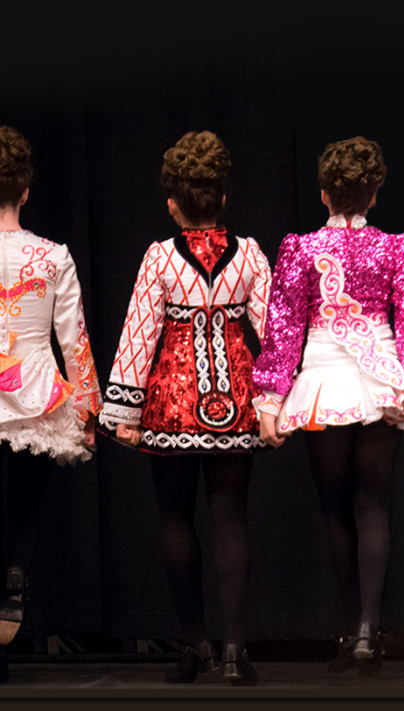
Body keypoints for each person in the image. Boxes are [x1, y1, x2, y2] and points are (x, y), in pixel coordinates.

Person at [252, 137, 404, 677]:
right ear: (374, 196)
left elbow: (284, 328)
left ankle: (348, 627)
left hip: (324, 382)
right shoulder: (395, 246)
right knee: (373, 505)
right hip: (382, 380)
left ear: (323, 194)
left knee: (334, 508)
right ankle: (367, 631)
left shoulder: (300, 248)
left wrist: (269, 398)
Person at [100, 131, 271, 685]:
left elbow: (138, 332)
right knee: (230, 518)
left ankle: (195, 643)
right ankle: (234, 651)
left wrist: (121, 413)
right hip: (236, 397)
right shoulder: (248, 254)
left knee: (175, 516)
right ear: (222, 199)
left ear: (172, 204)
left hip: (171, 402)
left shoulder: (159, 257)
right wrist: (279, 401)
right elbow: (274, 333)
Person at [0, 126, 100, 683]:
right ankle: (14, 584)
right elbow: (74, 338)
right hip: (36, 392)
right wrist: (86, 410)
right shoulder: (52, 255)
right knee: (26, 508)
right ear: (27, 192)